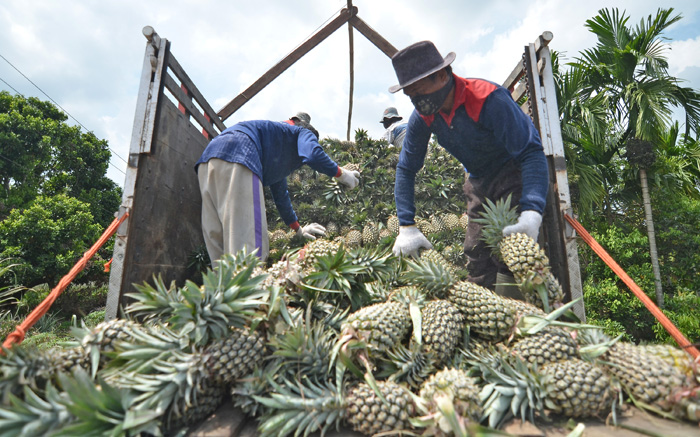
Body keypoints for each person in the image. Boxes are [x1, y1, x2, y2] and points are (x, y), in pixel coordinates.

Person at [388, 40, 549, 290]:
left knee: (509, 253)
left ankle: (518, 313)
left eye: (420, 93)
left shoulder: (487, 98)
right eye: (411, 97)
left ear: (442, 75)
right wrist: (406, 225)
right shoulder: (423, 117)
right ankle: (481, 320)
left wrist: (532, 211)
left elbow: (530, 152)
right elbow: (406, 168)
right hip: (477, 180)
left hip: (512, 172)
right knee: (475, 254)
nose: (417, 103)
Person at [195, 116, 361, 264]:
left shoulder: (275, 150)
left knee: (218, 245)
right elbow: (312, 155)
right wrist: (341, 174)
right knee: (249, 246)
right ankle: (252, 295)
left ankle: (224, 295)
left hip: (207, 160)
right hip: (241, 154)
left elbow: (281, 197)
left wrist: (298, 230)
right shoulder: (302, 132)